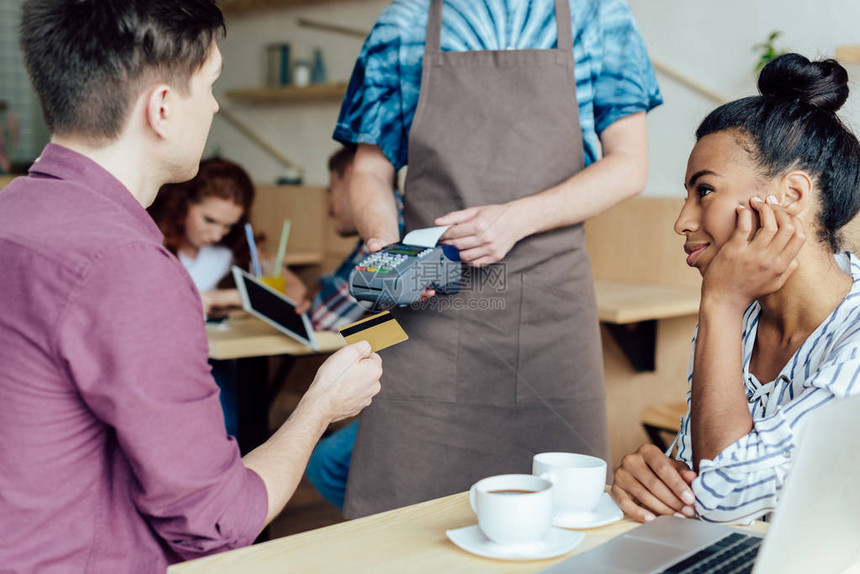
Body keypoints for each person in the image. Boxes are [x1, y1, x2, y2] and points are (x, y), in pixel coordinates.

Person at [0, 2, 381, 572]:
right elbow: (218, 524)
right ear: (162, 107)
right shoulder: (130, 266)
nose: (216, 105)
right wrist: (322, 404)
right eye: (211, 84)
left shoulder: (13, 211)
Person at [334, 0, 662, 517]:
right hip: (425, 305)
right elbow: (369, 170)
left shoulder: (598, 15)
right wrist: (386, 249)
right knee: (395, 497)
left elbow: (630, 165)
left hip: (548, 311)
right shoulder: (404, 21)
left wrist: (515, 219)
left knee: (561, 514)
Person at [611, 53, 860, 525]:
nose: (682, 221)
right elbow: (699, 473)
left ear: (791, 195)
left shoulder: (735, 308)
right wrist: (650, 478)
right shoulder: (745, 318)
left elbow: (721, 494)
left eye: (704, 190)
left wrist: (721, 304)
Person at [304, 146, 403, 510]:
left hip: (412, 396)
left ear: (351, 180)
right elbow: (340, 285)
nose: (330, 206)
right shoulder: (391, 227)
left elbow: (326, 317)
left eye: (331, 190)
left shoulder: (386, 235)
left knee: (325, 463)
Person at [149, 157, 307, 316]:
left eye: (228, 225)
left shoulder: (233, 245)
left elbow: (297, 292)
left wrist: (221, 298)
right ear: (182, 205)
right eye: (209, 220)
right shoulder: (152, 242)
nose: (217, 235)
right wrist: (237, 297)